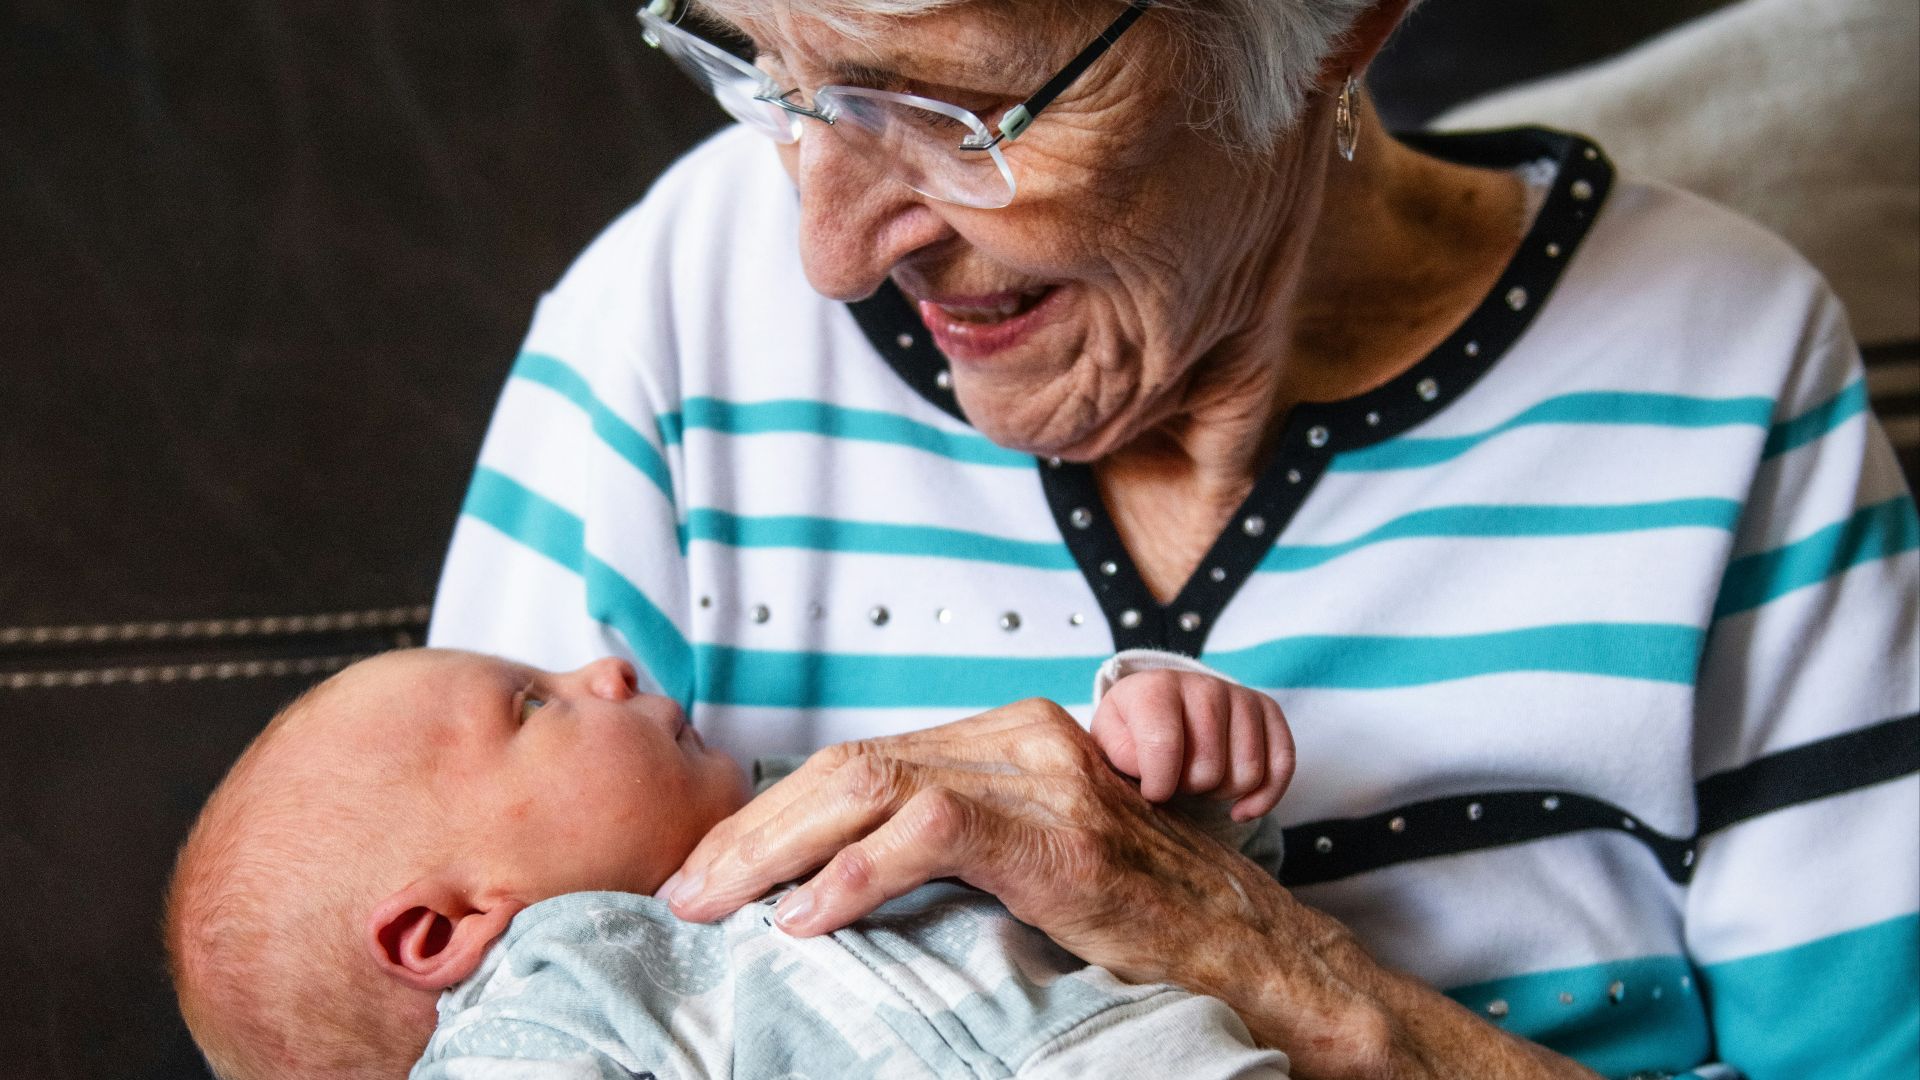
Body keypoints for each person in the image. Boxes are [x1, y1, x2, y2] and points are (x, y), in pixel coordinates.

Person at [426, 0, 1920, 1075]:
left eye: (950, 113)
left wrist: (1255, 961)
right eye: (762, 67)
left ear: (1331, 29)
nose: (825, 253)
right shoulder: (683, 307)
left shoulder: (1719, 358)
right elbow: (397, 995)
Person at [163, 647, 1293, 1079]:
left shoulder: (840, 803)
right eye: (531, 704)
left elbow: (1162, 894)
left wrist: (1163, 759)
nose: (602, 665)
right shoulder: (560, 1000)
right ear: (444, 930)